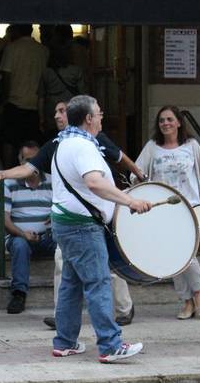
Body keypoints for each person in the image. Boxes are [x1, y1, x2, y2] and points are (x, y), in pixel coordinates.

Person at [0, 101, 144, 329]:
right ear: (87, 118)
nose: (56, 116)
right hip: (80, 219)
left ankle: (119, 310)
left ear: (79, 116)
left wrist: (138, 173)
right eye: (55, 112)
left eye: (61, 111)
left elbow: (120, 157)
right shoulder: (60, 144)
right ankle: (100, 338)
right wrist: (2, 174)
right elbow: (30, 169)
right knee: (80, 273)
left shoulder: (95, 139)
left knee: (97, 272)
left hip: (96, 215)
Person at [50, 95, 150, 363]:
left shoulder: (65, 143)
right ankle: (110, 345)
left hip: (68, 224)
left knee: (71, 284)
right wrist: (129, 200)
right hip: (82, 227)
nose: (103, 116)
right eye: (99, 113)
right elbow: (94, 183)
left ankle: (65, 341)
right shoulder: (82, 146)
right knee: (99, 284)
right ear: (88, 119)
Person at [135, 105, 200, 320]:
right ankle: (187, 301)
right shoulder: (152, 147)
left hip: (189, 207)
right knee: (173, 255)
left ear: (179, 122)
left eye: (170, 119)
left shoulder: (192, 146)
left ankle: (197, 291)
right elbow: (138, 172)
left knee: (187, 252)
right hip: (162, 209)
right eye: (162, 120)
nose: (166, 123)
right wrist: (140, 185)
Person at [3, 141, 56, 314]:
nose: (31, 165)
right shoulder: (9, 183)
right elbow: (4, 220)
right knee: (19, 244)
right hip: (19, 237)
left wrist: (55, 215)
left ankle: (74, 292)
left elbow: (63, 207)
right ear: (20, 162)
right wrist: (23, 234)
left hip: (47, 237)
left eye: (35, 160)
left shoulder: (52, 181)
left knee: (66, 241)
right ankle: (19, 294)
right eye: (26, 160)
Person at [0, 24, 49, 167]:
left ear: (17, 30)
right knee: (34, 143)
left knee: (9, 140)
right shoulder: (43, 51)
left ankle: (7, 172)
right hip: (36, 106)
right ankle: (34, 171)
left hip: (15, 102)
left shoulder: (11, 48)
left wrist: (3, 101)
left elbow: (6, 77)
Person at [38, 26, 86, 139]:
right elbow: (83, 94)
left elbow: (41, 98)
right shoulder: (76, 71)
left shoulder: (47, 72)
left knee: (53, 140)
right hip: (70, 110)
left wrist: (41, 118)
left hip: (51, 112)